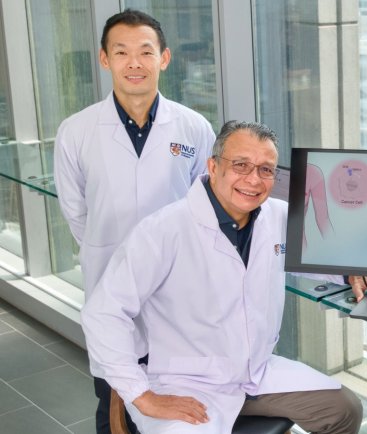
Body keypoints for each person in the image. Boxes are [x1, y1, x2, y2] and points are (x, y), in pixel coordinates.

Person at [82, 121, 367, 434]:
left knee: (344, 410)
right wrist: (142, 396)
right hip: (184, 382)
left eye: (265, 169)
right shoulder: (161, 231)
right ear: (213, 166)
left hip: (256, 374)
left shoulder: (278, 216)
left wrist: (353, 273)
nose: (253, 179)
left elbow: (313, 257)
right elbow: (103, 314)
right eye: (241, 165)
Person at [54, 9, 215, 433]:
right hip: (110, 280)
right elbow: (76, 212)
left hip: (179, 287)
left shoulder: (194, 127)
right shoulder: (76, 131)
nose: (134, 63)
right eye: (121, 52)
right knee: (116, 402)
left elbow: (208, 205)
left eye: (146, 52)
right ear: (105, 59)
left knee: (183, 402)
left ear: (164, 58)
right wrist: (114, 254)